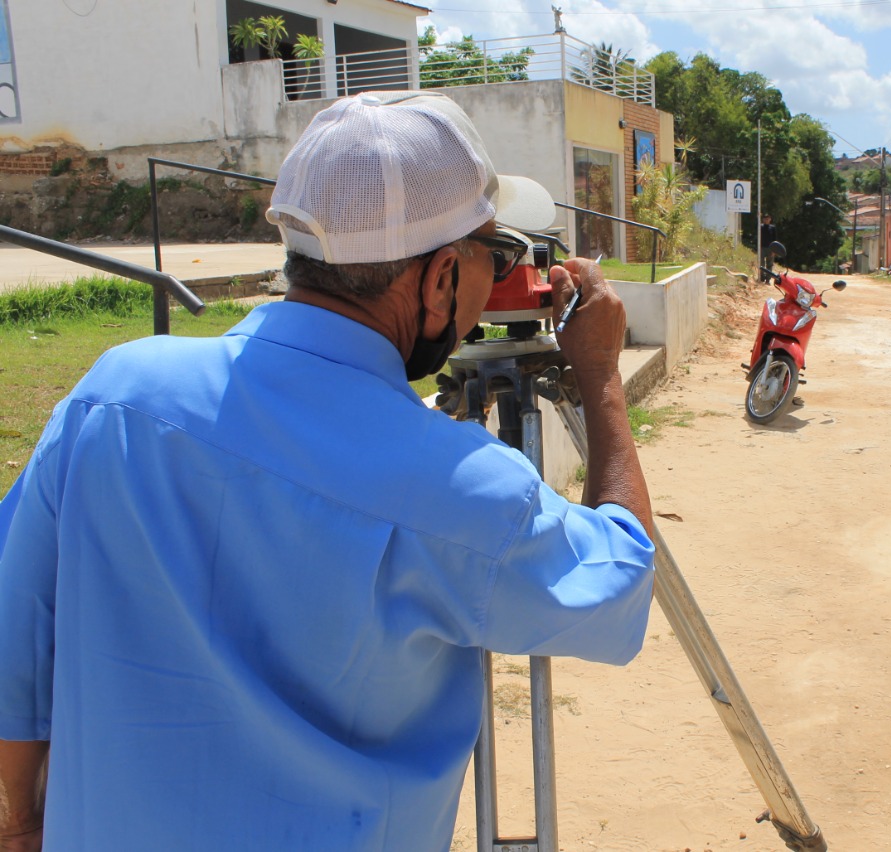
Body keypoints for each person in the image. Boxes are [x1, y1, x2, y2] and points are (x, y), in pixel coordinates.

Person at [0, 92, 656, 852]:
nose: (492, 283)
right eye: (493, 255)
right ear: (442, 276)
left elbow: (18, 643)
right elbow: (622, 579)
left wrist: (20, 818)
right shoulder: (464, 490)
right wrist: (601, 373)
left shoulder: (109, 398)